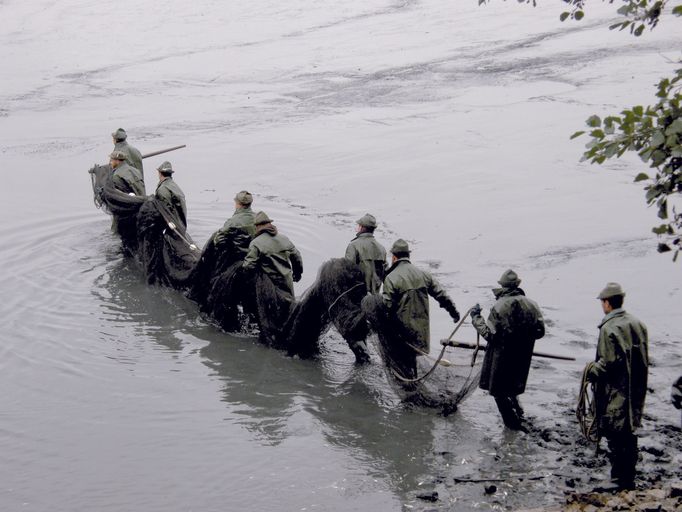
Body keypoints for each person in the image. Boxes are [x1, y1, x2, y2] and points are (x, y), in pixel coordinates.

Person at [586, 282, 648, 490]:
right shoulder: (637, 323)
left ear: (606, 303)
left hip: (616, 390)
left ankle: (619, 480)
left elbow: (607, 364)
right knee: (629, 431)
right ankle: (628, 477)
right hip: (636, 388)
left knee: (614, 432)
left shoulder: (609, 327)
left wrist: (590, 370)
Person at [468, 269, 545, 432]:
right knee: (512, 388)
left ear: (502, 286)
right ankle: (520, 414)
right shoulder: (532, 304)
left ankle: (512, 426)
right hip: (522, 357)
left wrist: (476, 318)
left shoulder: (499, 306)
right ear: (517, 285)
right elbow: (540, 332)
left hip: (502, 357)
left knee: (499, 392)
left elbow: (488, 334)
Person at [381, 239, 460, 378]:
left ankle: (409, 392)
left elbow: (386, 307)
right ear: (408, 256)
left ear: (394, 257)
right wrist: (454, 313)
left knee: (403, 370)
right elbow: (442, 295)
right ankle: (413, 386)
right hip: (421, 332)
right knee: (412, 365)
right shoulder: (423, 274)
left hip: (401, 334)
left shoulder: (391, 278)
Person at [243, 211, 303, 298]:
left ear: (257, 226)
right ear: (270, 224)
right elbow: (297, 257)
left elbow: (248, 266)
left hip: (268, 285)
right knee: (289, 306)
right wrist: (297, 273)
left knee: (270, 309)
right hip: (287, 282)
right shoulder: (284, 238)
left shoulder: (255, 243)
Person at [345, 213, 387, 294]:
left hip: (357, 298)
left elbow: (348, 272)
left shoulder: (353, 245)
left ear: (363, 228)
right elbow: (387, 277)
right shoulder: (382, 249)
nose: (358, 228)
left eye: (359, 225)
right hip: (375, 299)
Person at [213, 190, 256, 256]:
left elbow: (219, 240)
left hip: (238, 256)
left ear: (237, 203)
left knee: (215, 236)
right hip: (254, 253)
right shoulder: (258, 218)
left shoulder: (232, 221)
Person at [154, 161, 187, 229]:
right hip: (182, 223)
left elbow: (165, 211)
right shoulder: (174, 185)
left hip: (173, 224)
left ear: (160, 173)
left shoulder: (162, 189)